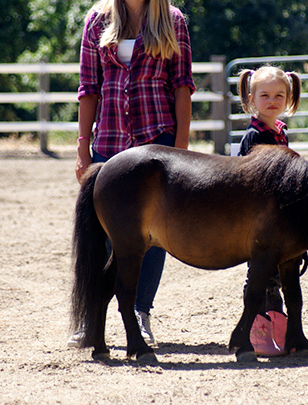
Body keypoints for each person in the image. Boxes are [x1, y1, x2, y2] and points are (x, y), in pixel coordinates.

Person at [67, 0, 195, 348]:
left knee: (154, 236)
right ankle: (95, 318)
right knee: (104, 235)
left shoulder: (172, 20)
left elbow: (183, 86)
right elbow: (88, 88)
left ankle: (140, 311)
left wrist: (180, 148)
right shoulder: (97, 19)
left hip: (159, 142)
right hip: (109, 142)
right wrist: (82, 147)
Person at [236, 65, 302, 356]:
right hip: (258, 221)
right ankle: (257, 330)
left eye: (279, 95)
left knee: (277, 277)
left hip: (276, 221)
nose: (272, 100)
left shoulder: (280, 133)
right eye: (265, 95)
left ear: (288, 99)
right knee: (261, 275)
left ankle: (278, 328)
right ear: (251, 99)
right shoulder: (254, 136)